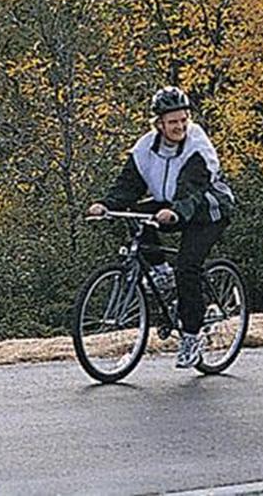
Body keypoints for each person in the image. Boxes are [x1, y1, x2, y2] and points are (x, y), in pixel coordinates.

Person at [87, 85, 236, 368]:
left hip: (207, 209)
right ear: (158, 124)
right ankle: (159, 271)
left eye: (183, 120)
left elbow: (191, 190)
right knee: (132, 213)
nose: (180, 126)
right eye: (172, 122)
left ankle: (192, 337)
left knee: (188, 267)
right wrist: (106, 204)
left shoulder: (197, 146)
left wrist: (175, 211)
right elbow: (128, 185)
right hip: (170, 205)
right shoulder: (145, 148)